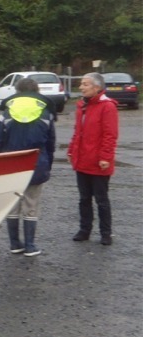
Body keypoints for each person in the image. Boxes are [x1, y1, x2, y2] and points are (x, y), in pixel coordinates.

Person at [0, 77, 56, 256]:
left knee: (13, 205)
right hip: (37, 164)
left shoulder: (6, 113)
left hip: (10, 165)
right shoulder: (46, 114)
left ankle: (14, 244)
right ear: (36, 92)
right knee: (31, 204)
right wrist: (47, 165)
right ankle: (30, 246)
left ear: (18, 92)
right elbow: (50, 144)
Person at [67, 72, 119, 245]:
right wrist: (71, 150)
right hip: (82, 160)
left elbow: (110, 135)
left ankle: (106, 233)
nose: (81, 87)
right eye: (81, 84)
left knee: (101, 199)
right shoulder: (82, 105)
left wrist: (105, 157)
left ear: (97, 88)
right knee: (84, 199)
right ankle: (84, 230)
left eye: (85, 84)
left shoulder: (107, 106)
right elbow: (78, 132)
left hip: (99, 163)